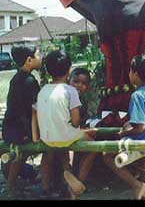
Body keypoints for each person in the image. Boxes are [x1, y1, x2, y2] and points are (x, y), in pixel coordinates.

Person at [102, 54, 145, 200]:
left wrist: (122, 133)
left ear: (136, 74)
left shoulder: (138, 95)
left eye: (130, 71)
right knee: (133, 159)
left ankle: (135, 184)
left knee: (107, 156)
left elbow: (139, 128)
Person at [32, 50, 96, 199]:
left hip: (47, 138)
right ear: (68, 71)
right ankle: (77, 182)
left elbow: (34, 112)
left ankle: (46, 188)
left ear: (48, 71)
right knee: (93, 146)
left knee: (52, 152)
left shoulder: (42, 91)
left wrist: (37, 136)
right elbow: (75, 121)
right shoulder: (70, 91)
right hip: (65, 137)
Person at [1, 43, 42, 188]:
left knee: (19, 155)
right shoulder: (30, 82)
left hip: (11, 127)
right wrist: (30, 132)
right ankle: (43, 176)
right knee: (21, 154)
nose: (40, 58)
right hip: (22, 129)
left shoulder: (16, 79)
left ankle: (11, 184)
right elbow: (34, 110)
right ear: (29, 60)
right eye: (38, 55)